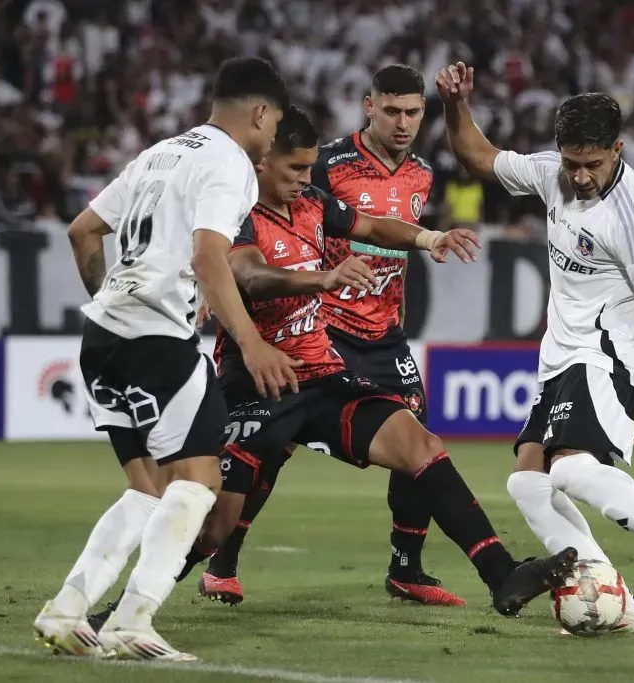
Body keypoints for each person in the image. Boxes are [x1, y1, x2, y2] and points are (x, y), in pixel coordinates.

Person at [436, 62, 634, 635]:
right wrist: (454, 105)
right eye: (572, 162)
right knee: (526, 479)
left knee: (569, 471)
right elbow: (477, 155)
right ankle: (609, 593)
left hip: (609, 352)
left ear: (617, 149)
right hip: (560, 355)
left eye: (593, 164)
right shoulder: (553, 174)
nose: (582, 175)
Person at [33, 57, 300, 661]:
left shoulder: (158, 153)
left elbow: (82, 230)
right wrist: (252, 342)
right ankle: (133, 620)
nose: (272, 136)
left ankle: (67, 610)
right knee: (201, 482)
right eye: (274, 122)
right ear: (260, 113)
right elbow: (211, 257)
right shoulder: (231, 164)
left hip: (102, 336)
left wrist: (113, 303)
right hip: (158, 341)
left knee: (148, 491)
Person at [201, 64, 464, 608]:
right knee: (276, 441)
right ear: (370, 107)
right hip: (327, 325)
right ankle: (222, 558)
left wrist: (401, 314)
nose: (403, 122)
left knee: (417, 438)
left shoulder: (420, 173)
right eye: (391, 110)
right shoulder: (330, 165)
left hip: (384, 332)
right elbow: (283, 220)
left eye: (413, 112)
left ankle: (406, 567)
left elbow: (396, 254)